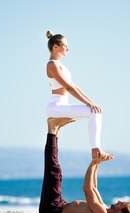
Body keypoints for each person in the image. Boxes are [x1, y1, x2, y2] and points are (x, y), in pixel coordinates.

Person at [39, 117, 130, 213]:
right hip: (57, 205)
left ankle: (53, 129)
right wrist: (97, 163)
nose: (120, 201)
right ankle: (55, 129)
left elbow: (87, 188)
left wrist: (93, 163)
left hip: (52, 211)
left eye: (122, 204)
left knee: (55, 171)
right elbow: (93, 187)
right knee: (55, 170)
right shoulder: (103, 208)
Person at [45, 30, 112, 160]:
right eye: (65, 45)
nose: (68, 49)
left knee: (94, 111)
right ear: (55, 47)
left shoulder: (59, 65)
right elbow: (69, 88)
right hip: (56, 106)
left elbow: (75, 86)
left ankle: (96, 149)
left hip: (62, 106)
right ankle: (96, 150)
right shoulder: (52, 64)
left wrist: (91, 103)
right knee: (94, 112)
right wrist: (89, 104)